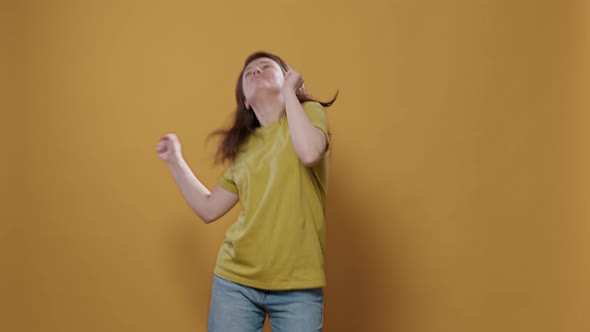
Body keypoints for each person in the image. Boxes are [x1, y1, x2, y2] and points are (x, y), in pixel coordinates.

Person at [155, 51, 337, 331]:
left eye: (266, 67)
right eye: (249, 72)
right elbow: (208, 208)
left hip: (298, 287)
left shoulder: (310, 115)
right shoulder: (245, 150)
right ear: (246, 102)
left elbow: (311, 152)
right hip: (235, 282)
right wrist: (175, 160)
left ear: (289, 79)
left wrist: (291, 92)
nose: (255, 70)